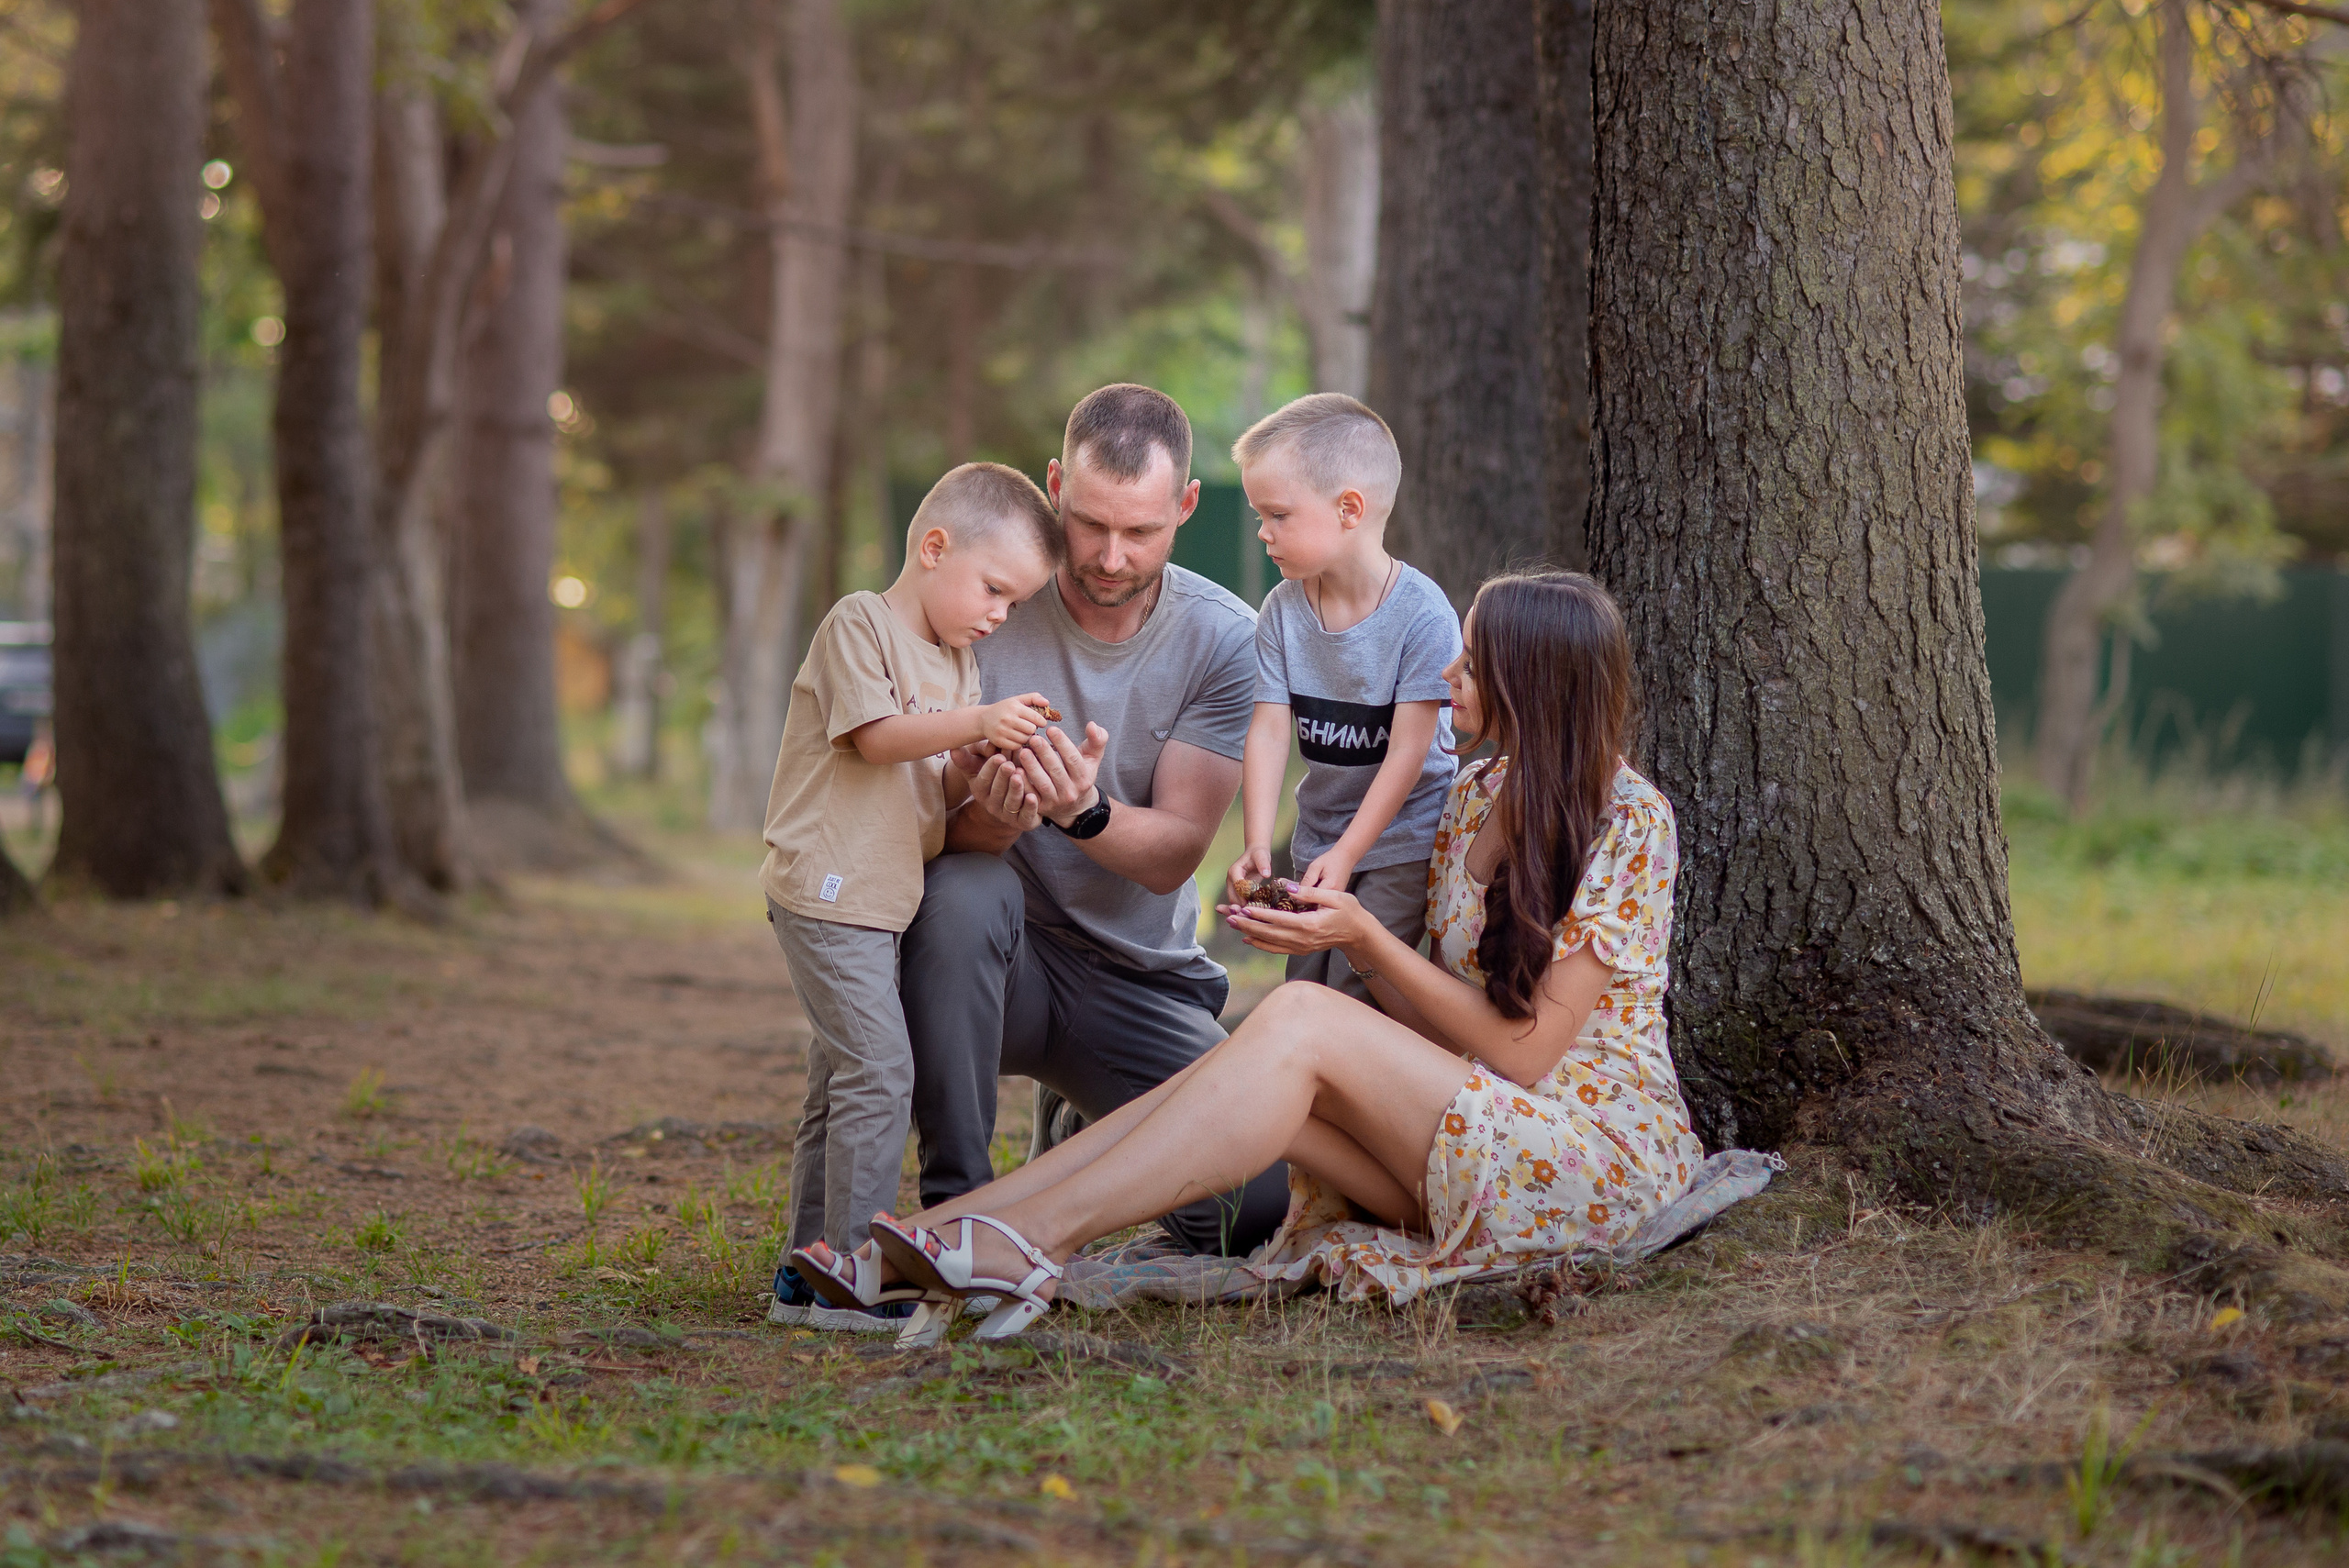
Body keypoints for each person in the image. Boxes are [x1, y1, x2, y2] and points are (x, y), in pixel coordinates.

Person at [853, 572, 1709, 1339]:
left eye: (1474, 664)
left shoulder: (1633, 822)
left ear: (1537, 685)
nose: (1450, 675)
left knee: (1297, 1017)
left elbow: (1526, 1051)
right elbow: (1439, 1019)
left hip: (1585, 1157)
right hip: (1467, 1131)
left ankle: (1032, 1240)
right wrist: (1342, 940)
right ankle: (949, 1231)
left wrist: (1363, 936)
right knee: (1253, 1086)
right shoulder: (1475, 793)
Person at [896, 384, 1295, 1261]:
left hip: (1135, 975)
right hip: (993, 963)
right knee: (965, 887)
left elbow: (1173, 854)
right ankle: (955, 1213)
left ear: (1186, 505)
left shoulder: (1225, 638)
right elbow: (922, 833)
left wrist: (1080, 811)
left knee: (1249, 1211)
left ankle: (1084, 1124)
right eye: (1090, 524)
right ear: (1054, 488)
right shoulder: (984, 602)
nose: (1111, 556)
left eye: (1142, 531)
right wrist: (992, 824)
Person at [761, 462, 1063, 1333]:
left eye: (1015, 603)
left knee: (839, 1081)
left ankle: (807, 1270)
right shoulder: (860, 622)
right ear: (934, 547)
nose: (998, 614)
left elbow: (932, 780)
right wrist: (976, 723)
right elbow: (876, 735)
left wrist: (990, 767)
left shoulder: (961, 664)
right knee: (881, 1072)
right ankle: (854, 1274)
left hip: (884, 901)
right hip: (827, 890)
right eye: (994, 589)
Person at [1224, 394, 1460, 1006]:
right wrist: (1256, 841)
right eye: (1259, 515)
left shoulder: (1423, 615)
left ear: (1349, 508)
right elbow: (1271, 730)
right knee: (1303, 984)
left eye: (1277, 514)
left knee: (1356, 993)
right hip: (1318, 835)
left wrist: (1351, 851)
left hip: (1401, 844)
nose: (1263, 532)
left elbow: (1409, 752)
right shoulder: (1281, 610)